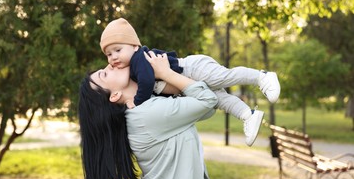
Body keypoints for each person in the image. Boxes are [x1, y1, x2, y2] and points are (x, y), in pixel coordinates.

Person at [79, 52, 219, 179]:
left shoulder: (146, 105)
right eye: (104, 74)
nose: (110, 64)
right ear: (114, 95)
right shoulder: (147, 115)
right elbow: (208, 100)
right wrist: (166, 73)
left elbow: (207, 108)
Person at [99, 18, 281, 146]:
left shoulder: (140, 59)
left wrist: (138, 103)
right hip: (188, 83)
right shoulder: (131, 70)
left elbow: (147, 82)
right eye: (108, 54)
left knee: (224, 77)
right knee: (220, 100)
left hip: (192, 68)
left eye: (117, 50)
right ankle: (248, 115)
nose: (113, 57)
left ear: (134, 46)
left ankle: (261, 76)